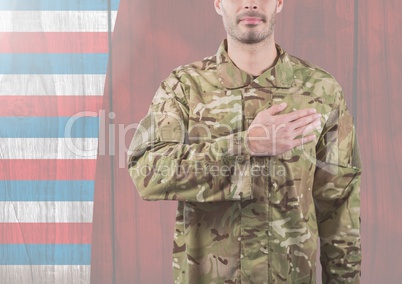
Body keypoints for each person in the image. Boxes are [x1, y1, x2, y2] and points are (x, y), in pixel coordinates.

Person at [127, 0, 362, 283]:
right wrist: (244, 145)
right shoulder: (183, 87)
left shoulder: (322, 91)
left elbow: (339, 205)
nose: (250, 3)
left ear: (278, 2)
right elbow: (146, 172)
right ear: (217, 4)